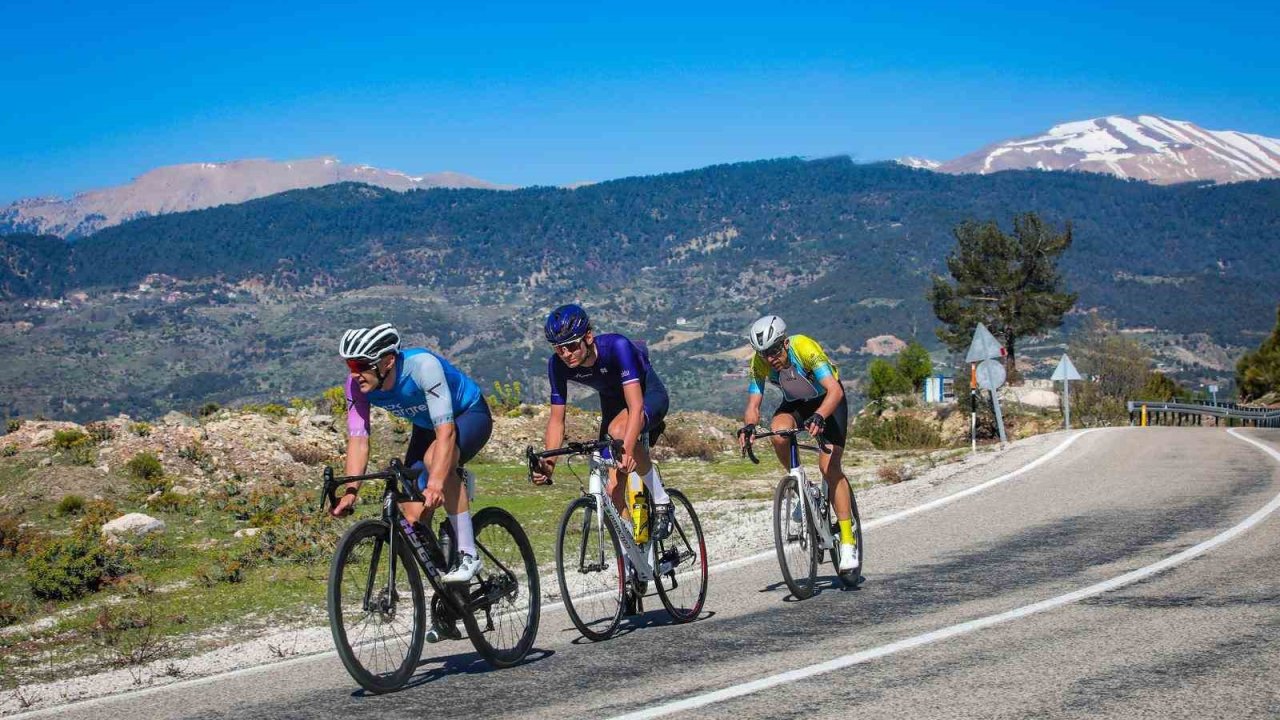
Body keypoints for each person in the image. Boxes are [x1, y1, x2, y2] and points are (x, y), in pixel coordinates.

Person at [330, 323, 493, 594]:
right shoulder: (356, 386)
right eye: (350, 366)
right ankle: (450, 597)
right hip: (427, 424)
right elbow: (358, 440)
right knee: (412, 517)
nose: (355, 374)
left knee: (436, 463)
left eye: (361, 365)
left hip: (468, 414)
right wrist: (350, 492)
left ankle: (468, 554)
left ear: (387, 361)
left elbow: (447, 431)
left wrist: (438, 481)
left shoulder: (422, 367)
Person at [530, 304, 674, 540]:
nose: (566, 354)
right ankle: (633, 564)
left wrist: (626, 449)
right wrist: (549, 462)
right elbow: (557, 420)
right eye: (559, 349)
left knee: (619, 431)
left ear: (588, 337)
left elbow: (636, 407)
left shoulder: (617, 347)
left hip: (647, 396)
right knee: (613, 491)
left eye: (572, 346)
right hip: (613, 407)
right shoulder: (557, 366)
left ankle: (661, 500)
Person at [738, 315, 859, 572]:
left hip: (828, 402)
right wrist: (749, 426)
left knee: (830, 467)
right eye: (763, 353)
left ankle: (847, 541)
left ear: (784, 343)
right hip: (796, 403)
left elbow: (834, 389)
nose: (770, 358)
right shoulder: (759, 363)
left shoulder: (803, 347)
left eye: (773, 351)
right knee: (778, 432)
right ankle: (804, 489)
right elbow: (754, 403)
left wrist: (820, 415)